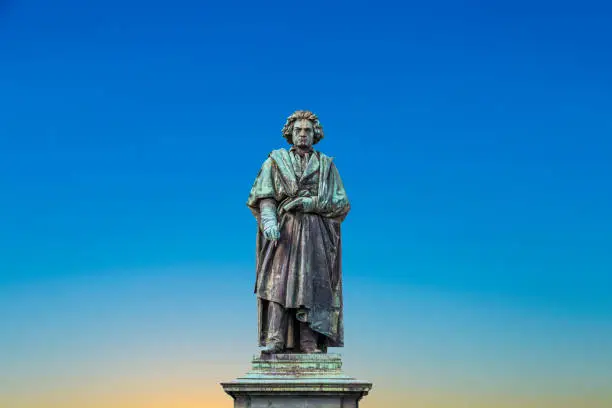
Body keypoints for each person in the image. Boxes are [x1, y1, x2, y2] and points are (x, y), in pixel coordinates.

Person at [246, 110, 350, 354]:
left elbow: (341, 203)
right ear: (290, 134)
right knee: (277, 284)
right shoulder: (274, 161)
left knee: (310, 286)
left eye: (308, 131)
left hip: (316, 234)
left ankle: (308, 341)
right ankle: (275, 338)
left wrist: (309, 204)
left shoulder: (326, 166)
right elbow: (265, 196)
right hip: (285, 232)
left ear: (316, 135)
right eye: (298, 130)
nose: (303, 134)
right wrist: (269, 222)